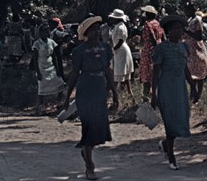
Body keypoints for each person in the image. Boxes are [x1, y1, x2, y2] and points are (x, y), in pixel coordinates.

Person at [64, 16, 119, 180]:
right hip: (85, 89)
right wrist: (68, 96)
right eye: (93, 30)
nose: (97, 32)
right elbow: (74, 74)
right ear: (86, 33)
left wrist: (115, 93)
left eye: (98, 29)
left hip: (100, 88)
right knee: (88, 125)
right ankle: (89, 165)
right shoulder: (79, 51)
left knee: (99, 126)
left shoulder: (105, 48)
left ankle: (86, 150)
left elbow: (108, 71)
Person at [151, 15, 193, 170]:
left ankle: (165, 144)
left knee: (181, 118)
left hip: (180, 87)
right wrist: (153, 92)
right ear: (168, 31)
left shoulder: (184, 47)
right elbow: (155, 72)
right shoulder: (161, 48)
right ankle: (171, 155)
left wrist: (193, 86)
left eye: (180, 29)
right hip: (166, 87)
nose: (179, 31)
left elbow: (185, 68)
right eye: (176, 29)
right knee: (170, 120)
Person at [33, 24, 66, 114]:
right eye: (44, 31)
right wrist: (38, 72)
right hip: (41, 67)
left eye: (47, 30)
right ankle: (41, 106)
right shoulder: (37, 44)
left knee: (60, 84)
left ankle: (58, 103)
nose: (46, 32)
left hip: (51, 67)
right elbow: (35, 59)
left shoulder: (51, 42)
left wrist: (58, 69)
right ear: (40, 33)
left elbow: (54, 56)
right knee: (42, 88)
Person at [183, 2, 207, 103]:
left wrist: (188, 32)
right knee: (191, 74)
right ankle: (193, 94)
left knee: (199, 75)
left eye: (187, 9)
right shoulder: (190, 20)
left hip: (197, 51)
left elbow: (199, 36)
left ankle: (198, 96)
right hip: (190, 51)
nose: (185, 12)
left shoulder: (197, 20)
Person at [109, 9, 135, 100]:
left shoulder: (120, 27)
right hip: (121, 50)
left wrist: (113, 49)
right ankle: (130, 94)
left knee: (118, 73)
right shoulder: (119, 26)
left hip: (120, 50)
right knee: (124, 74)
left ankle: (114, 96)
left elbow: (120, 41)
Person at [140, 5, 164, 100]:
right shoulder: (157, 23)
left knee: (147, 74)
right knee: (156, 72)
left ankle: (146, 97)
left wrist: (155, 49)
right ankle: (156, 95)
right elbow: (162, 37)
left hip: (149, 50)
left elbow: (152, 38)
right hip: (159, 47)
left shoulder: (148, 24)